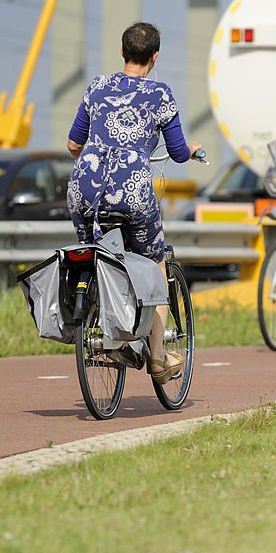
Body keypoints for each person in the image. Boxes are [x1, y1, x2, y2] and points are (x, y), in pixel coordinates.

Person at [66, 22, 202, 384]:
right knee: (155, 261)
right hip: (131, 190)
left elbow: (73, 144)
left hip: (85, 189)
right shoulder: (161, 94)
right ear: (154, 57)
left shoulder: (97, 87)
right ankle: (157, 358)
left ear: (121, 52)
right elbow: (175, 152)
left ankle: (110, 334)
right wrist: (190, 150)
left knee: (97, 252)